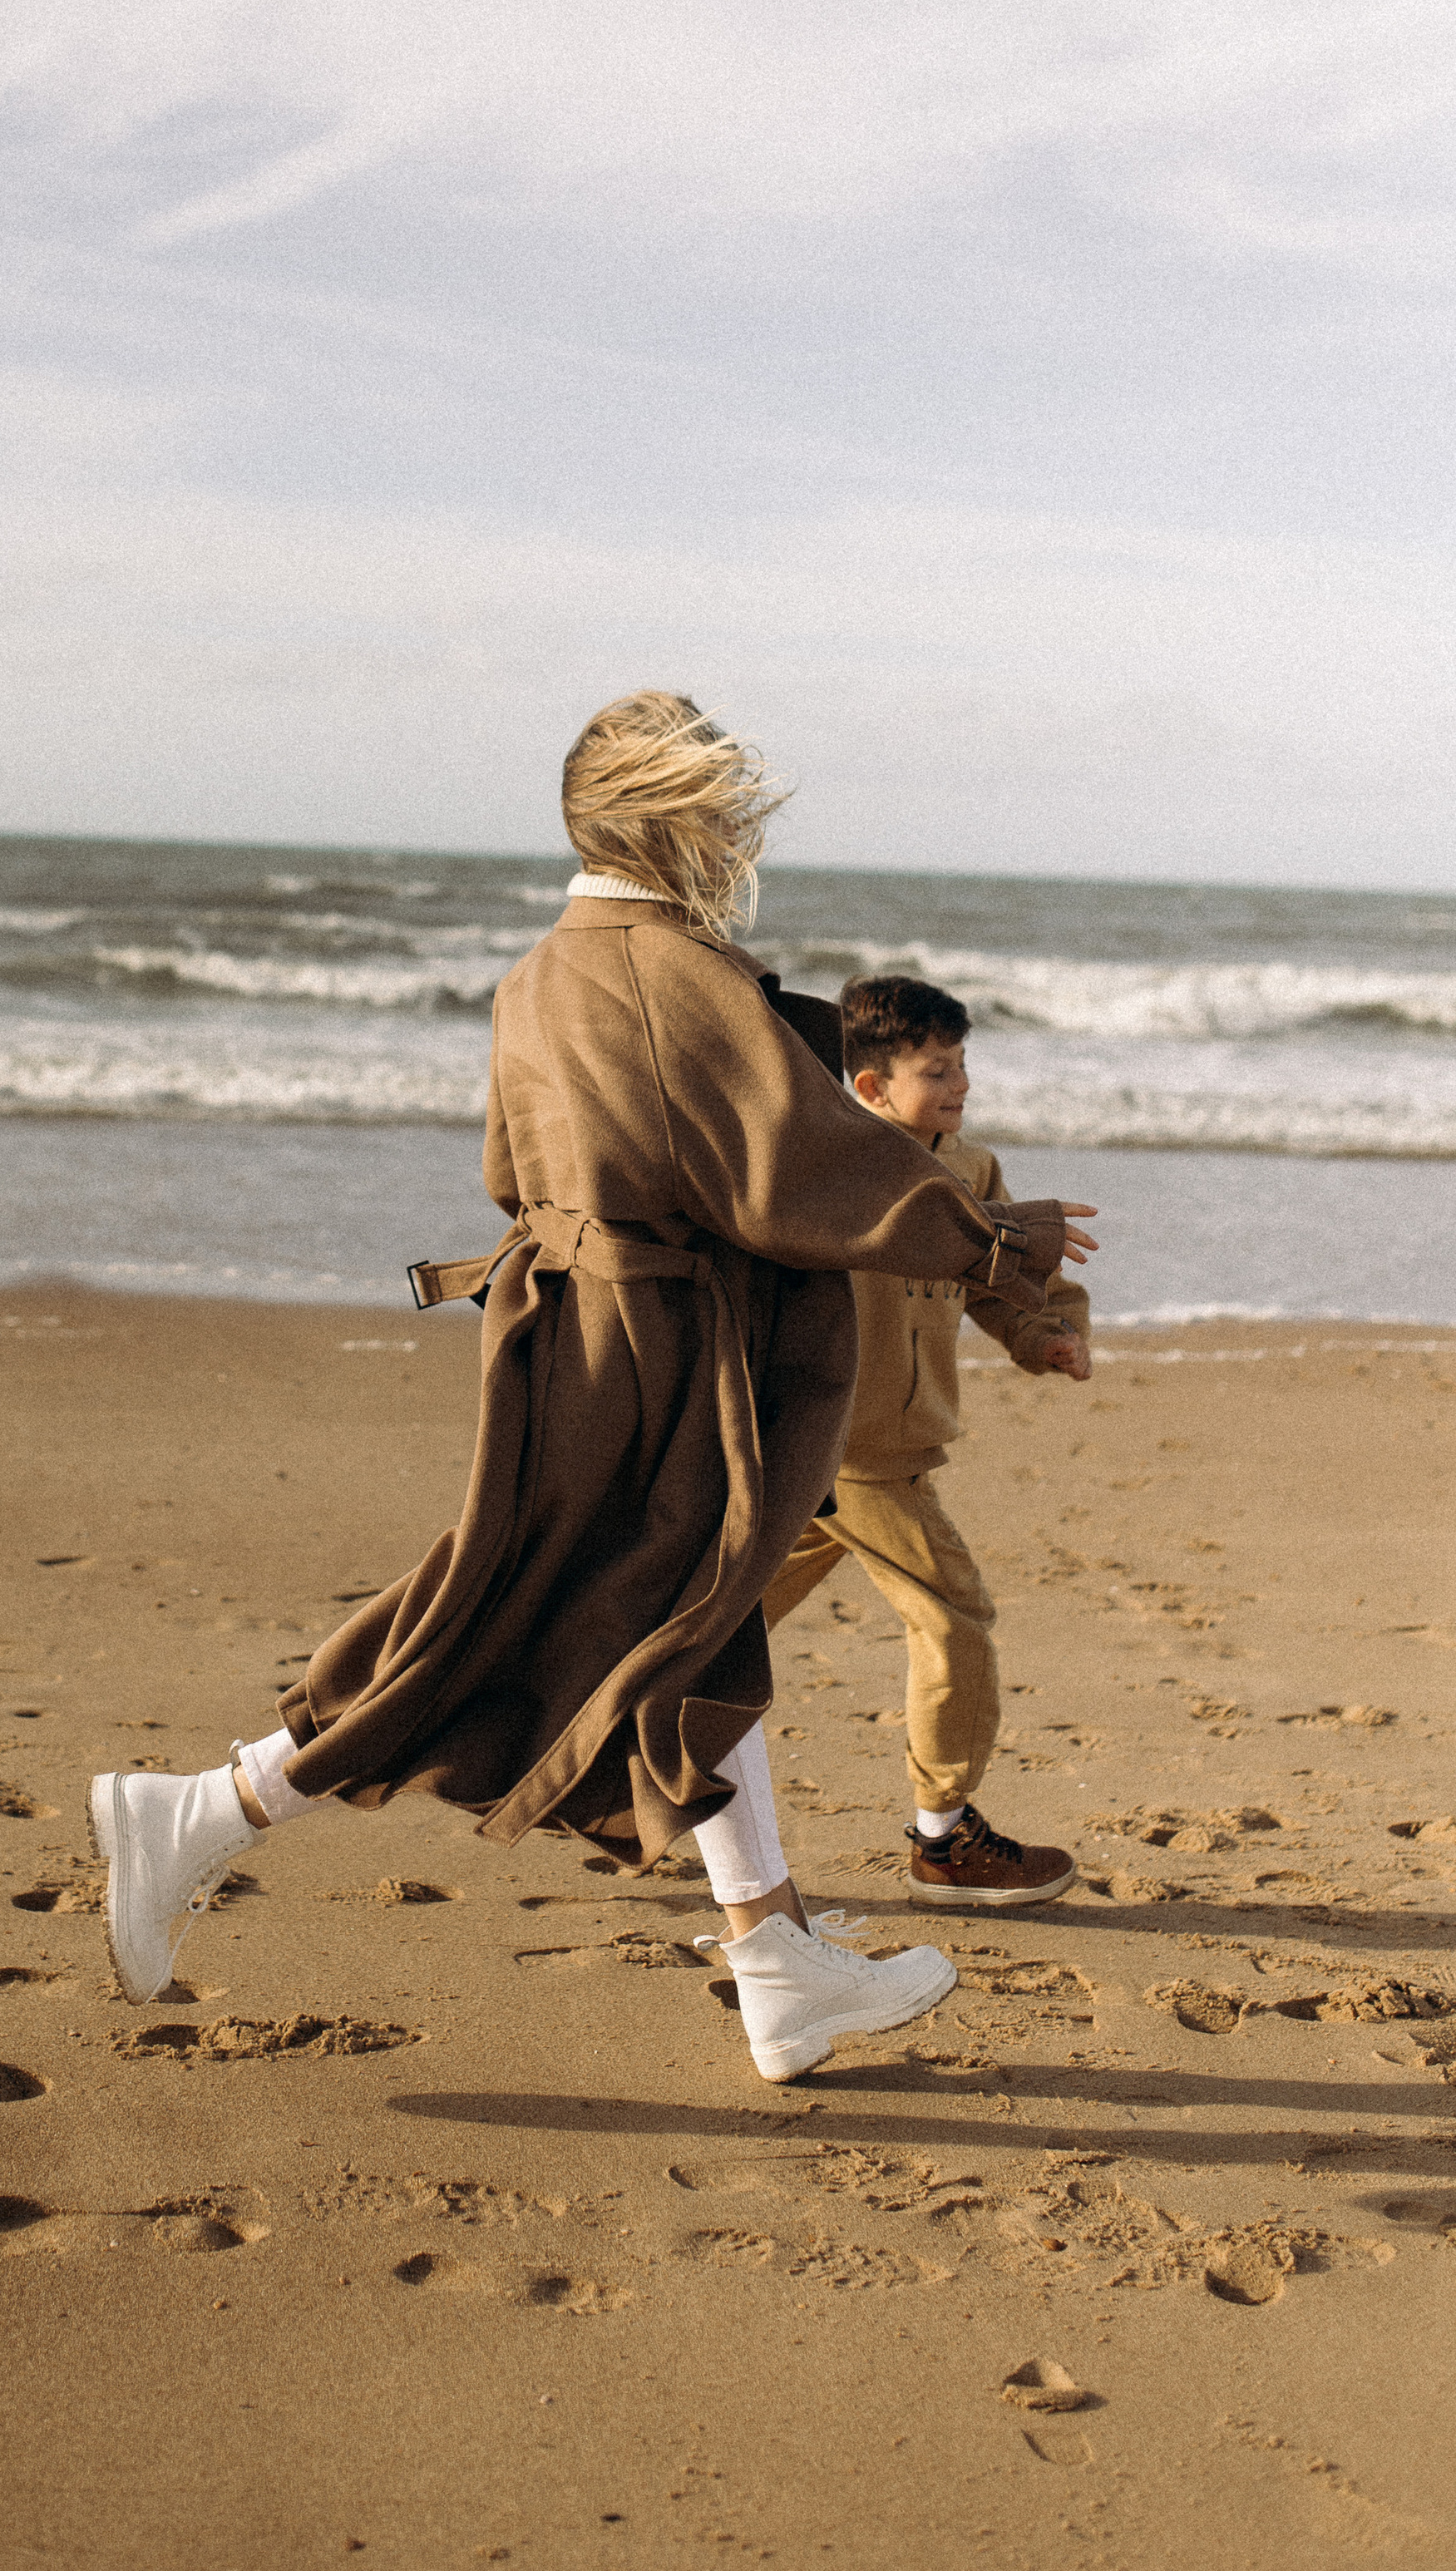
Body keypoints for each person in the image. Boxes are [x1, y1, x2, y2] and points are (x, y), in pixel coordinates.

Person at [88, 697, 1098, 2083]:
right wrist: (997, 1239)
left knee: (682, 1628)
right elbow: (802, 1165)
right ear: (676, 820)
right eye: (728, 813)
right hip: (659, 1355)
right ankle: (206, 1808)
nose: (742, 836)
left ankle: (774, 1965)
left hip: (571, 1331)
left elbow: (511, 1169)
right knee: (515, 1630)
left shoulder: (539, 974)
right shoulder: (672, 971)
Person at [760, 973, 1093, 1910]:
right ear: (868, 1089)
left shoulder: (972, 1171)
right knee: (954, 1620)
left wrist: (1044, 1337)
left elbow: (1003, 1283)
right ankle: (943, 1843)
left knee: (723, 1624)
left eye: (963, 1065)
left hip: (865, 1456)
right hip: (850, 1453)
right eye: (936, 1070)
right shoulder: (828, 1177)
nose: (960, 1085)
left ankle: (605, 1759)